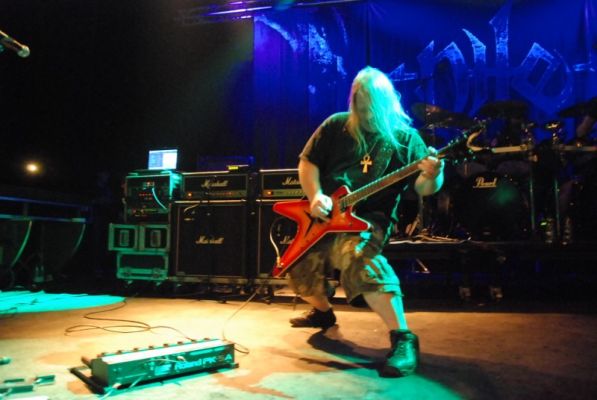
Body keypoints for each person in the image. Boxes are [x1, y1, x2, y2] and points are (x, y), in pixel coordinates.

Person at [287, 66, 445, 377]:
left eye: (372, 108)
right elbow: (307, 162)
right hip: (325, 216)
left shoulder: (405, 139)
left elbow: (425, 189)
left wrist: (433, 173)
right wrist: (316, 195)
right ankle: (323, 314)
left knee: (358, 257)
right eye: (360, 108)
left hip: (369, 221)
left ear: (387, 103)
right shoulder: (336, 125)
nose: (367, 115)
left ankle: (403, 337)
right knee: (297, 267)